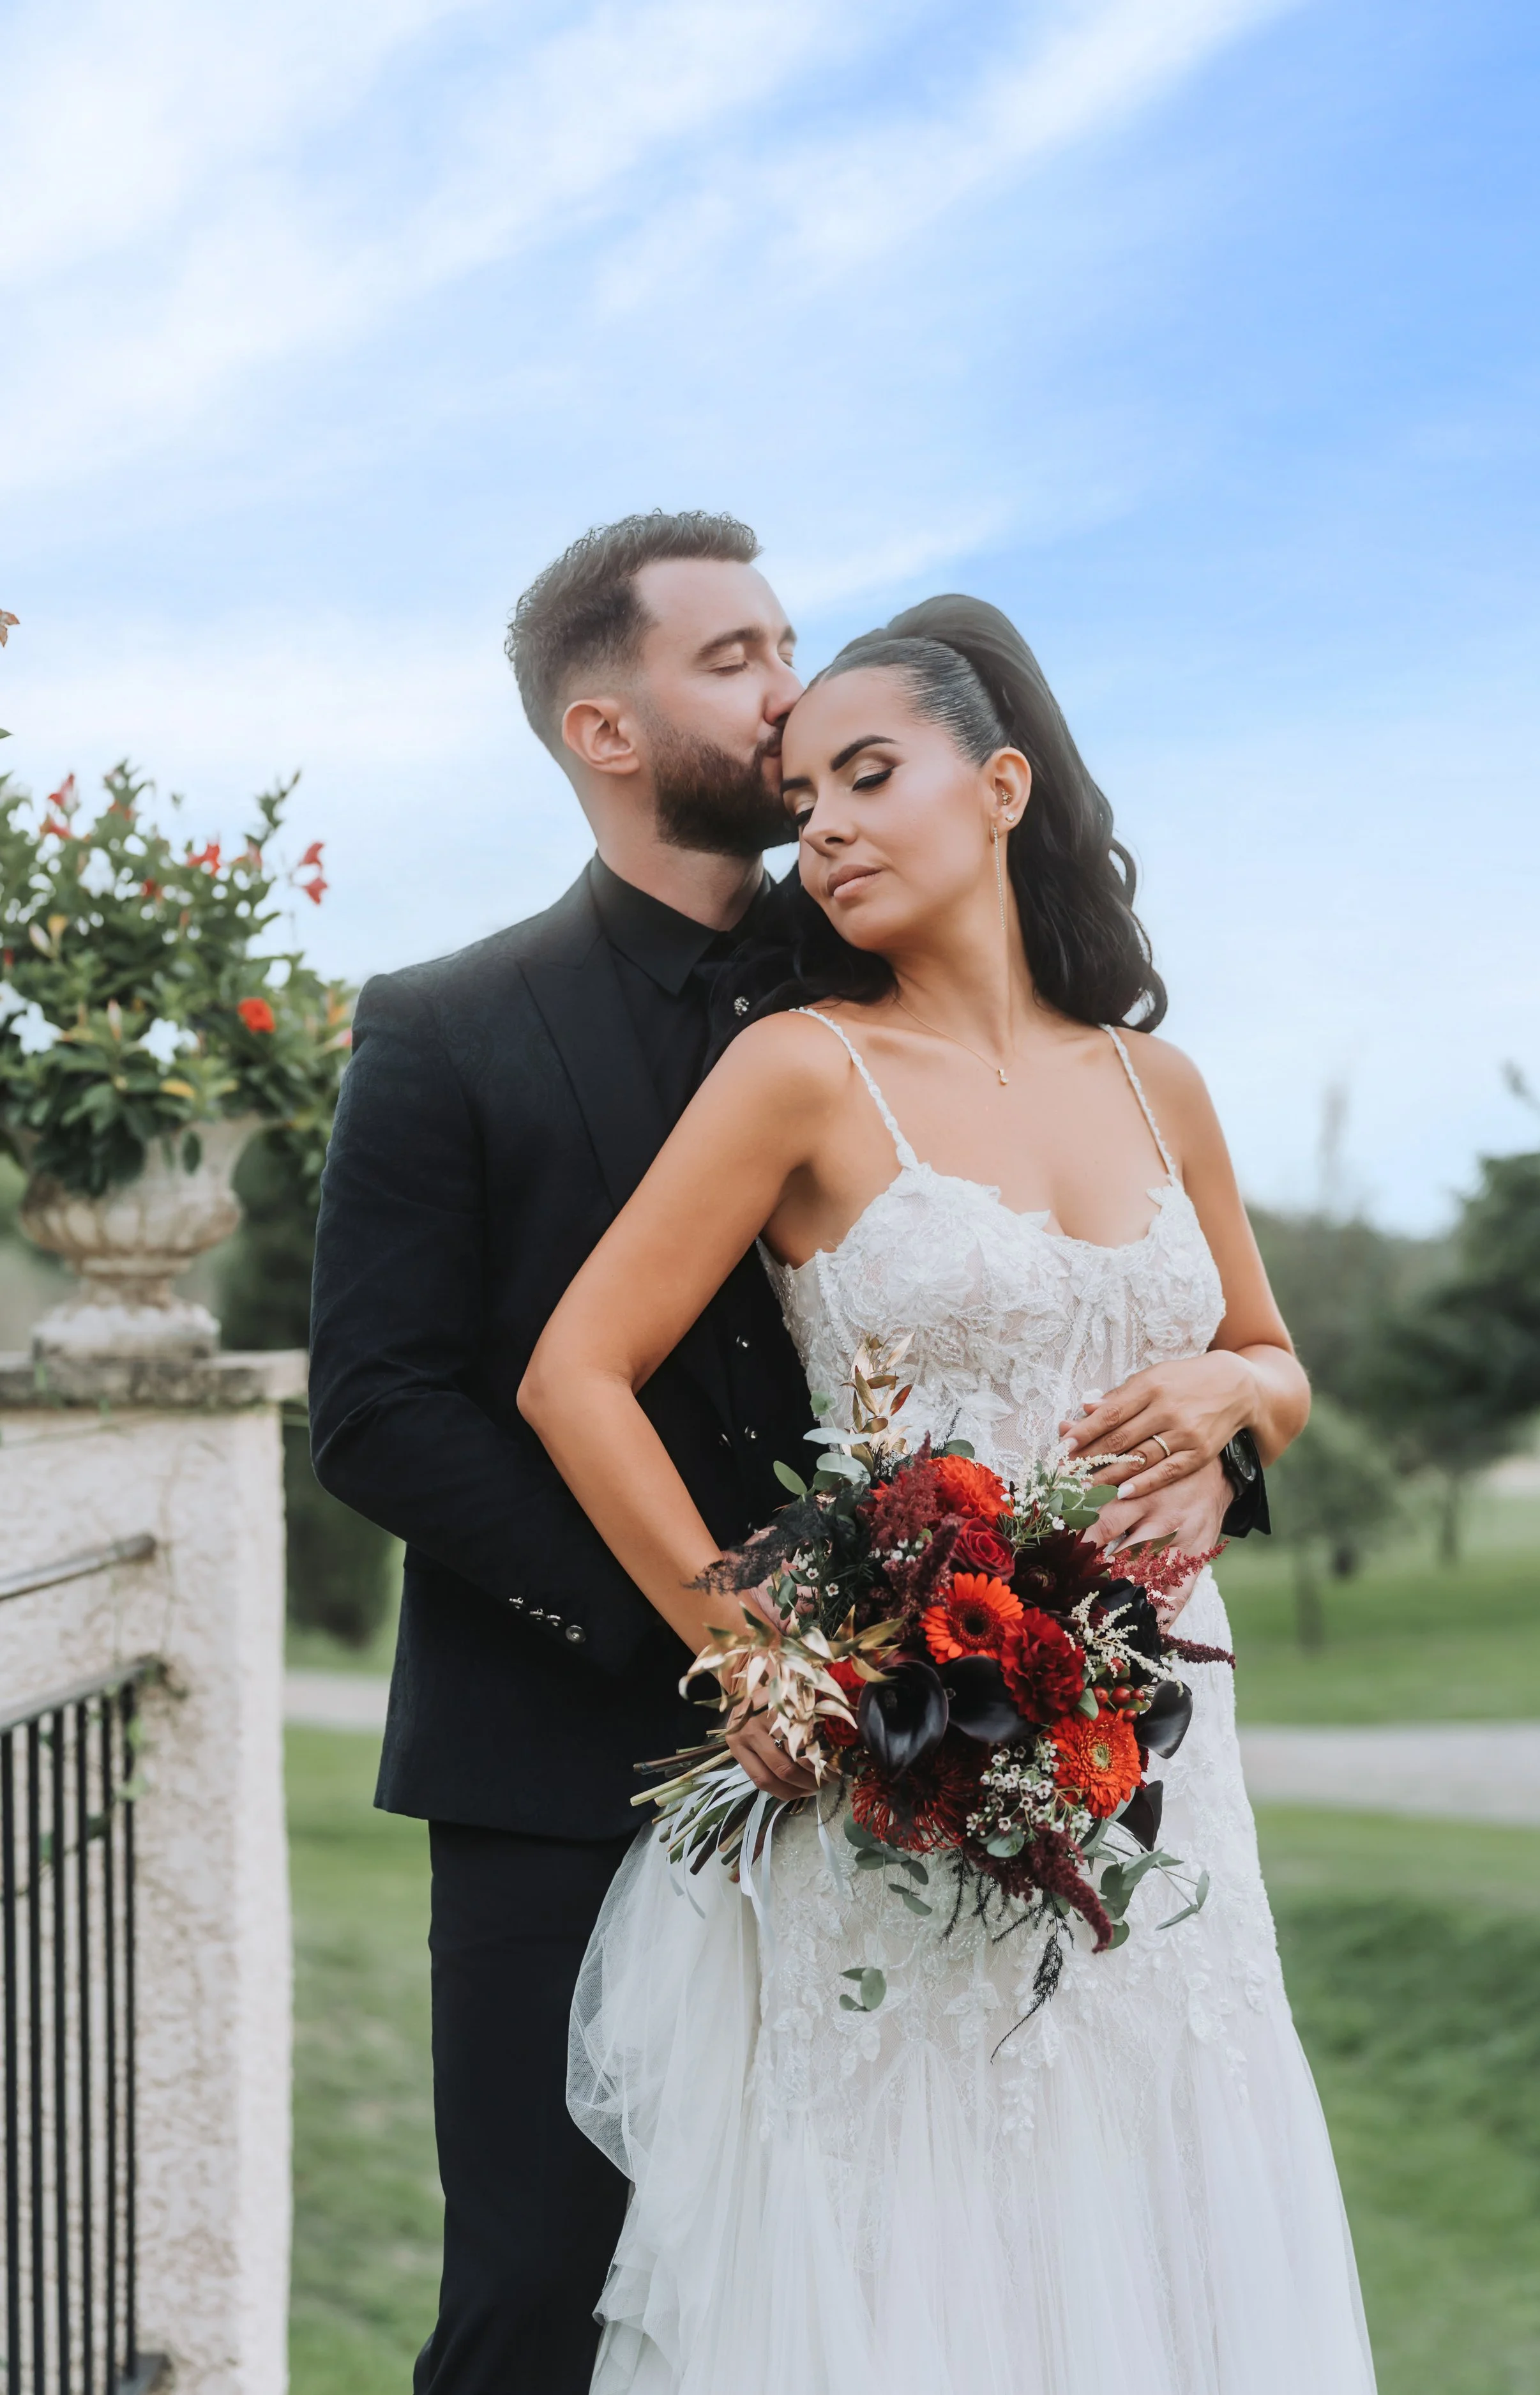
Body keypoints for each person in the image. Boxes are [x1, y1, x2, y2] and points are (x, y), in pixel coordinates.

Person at [522, 597, 1377, 2393]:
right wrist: (743, 1641)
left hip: (1165, 1767)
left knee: (1160, 2185)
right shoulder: (799, 1073)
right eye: (798, 792)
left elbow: (1275, 1364)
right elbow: (570, 1372)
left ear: (998, 786)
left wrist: (1236, 1393)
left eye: (864, 773)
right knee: (922, 2239)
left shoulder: (1164, 1086)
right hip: (903, 1760)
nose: (818, 823)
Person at [306, 510, 819, 2394]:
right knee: (539, 2301)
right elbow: (377, 1404)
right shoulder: (441, 1029)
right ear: (606, 728)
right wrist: (689, 1623)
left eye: (790, 642)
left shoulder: (884, 989)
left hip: (908, 1762)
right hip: (550, 1769)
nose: (790, 690)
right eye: (735, 658)